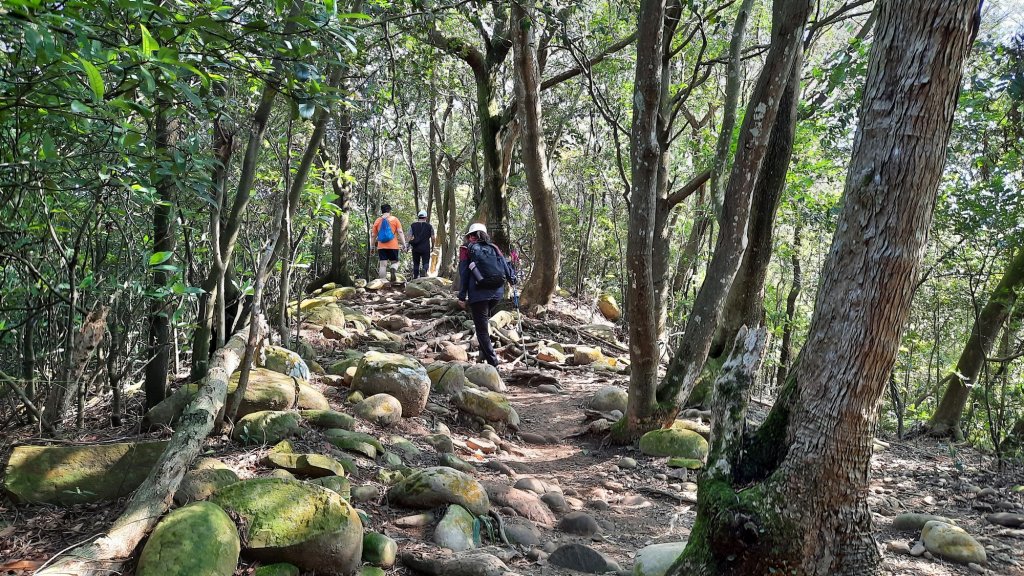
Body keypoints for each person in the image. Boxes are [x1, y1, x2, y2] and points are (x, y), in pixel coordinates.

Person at [458, 223, 516, 367]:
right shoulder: (494, 247)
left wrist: (461, 296)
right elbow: (505, 266)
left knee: (481, 331)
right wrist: (512, 280)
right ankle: (482, 356)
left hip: (478, 293)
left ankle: (493, 363)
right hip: (497, 293)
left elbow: (464, 273)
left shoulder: (466, 248)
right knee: (484, 322)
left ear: (470, 235)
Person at [370, 203, 408, 281]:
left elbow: (373, 235)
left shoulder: (378, 220)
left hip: (381, 246)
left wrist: (372, 246)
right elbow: (400, 231)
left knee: (383, 265)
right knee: (395, 262)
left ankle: (383, 283)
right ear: (390, 210)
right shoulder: (394, 219)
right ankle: (393, 269)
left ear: (382, 211)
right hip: (393, 246)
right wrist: (404, 244)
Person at [408, 210, 435, 279]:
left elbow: (409, 236)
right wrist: (433, 246)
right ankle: (424, 271)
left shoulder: (413, 225)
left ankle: (415, 277)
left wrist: (407, 245)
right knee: (426, 262)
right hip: (426, 247)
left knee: (416, 263)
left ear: (418, 217)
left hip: (415, 247)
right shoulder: (429, 226)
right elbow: (433, 237)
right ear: (425, 217)